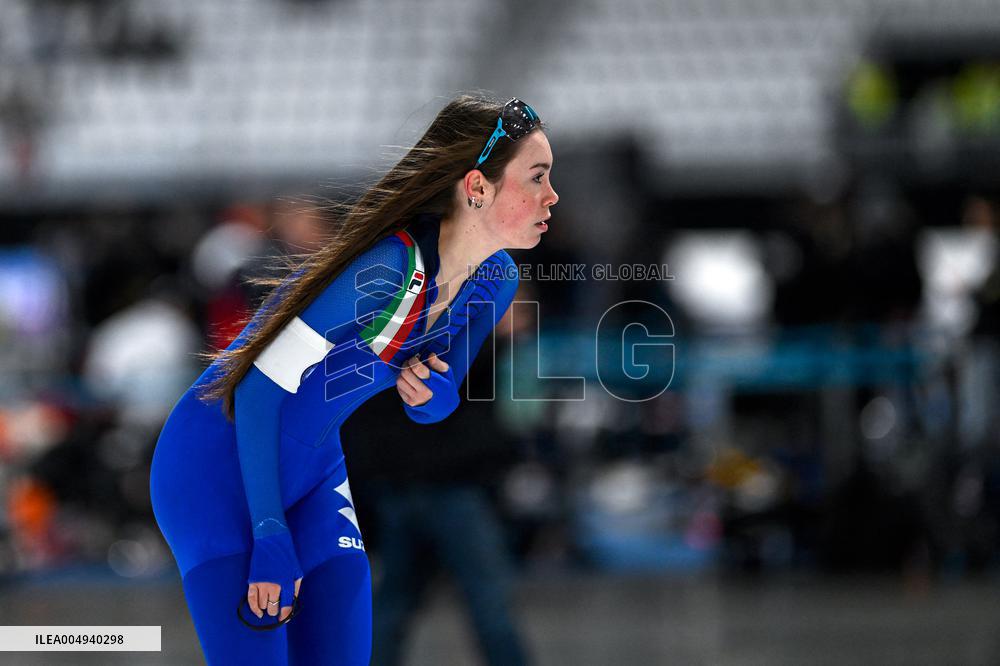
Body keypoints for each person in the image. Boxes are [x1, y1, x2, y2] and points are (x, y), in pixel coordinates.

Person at [149, 94, 558, 665]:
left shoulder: (495, 278)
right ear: (477, 188)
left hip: (316, 468)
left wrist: (433, 395)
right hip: (217, 465)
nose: (551, 195)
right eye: (537, 177)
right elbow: (257, 391)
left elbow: (435, 403)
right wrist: (268, 531)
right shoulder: (386, 268)